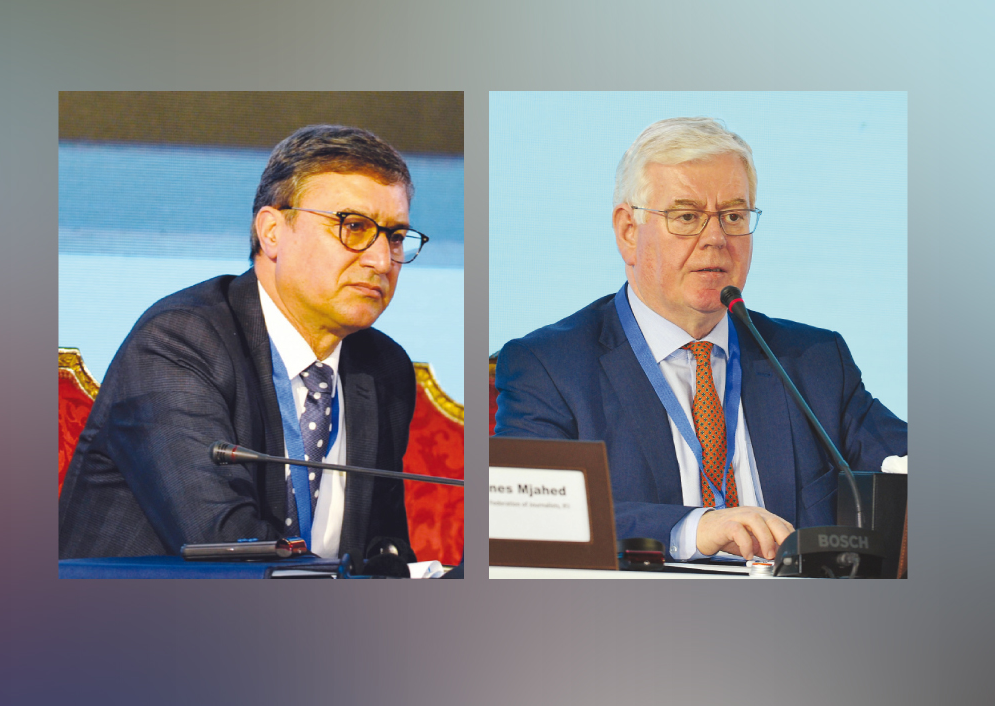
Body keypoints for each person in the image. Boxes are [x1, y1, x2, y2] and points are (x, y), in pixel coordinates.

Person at [493, 117, 907, 562]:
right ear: (628, 232)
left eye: (733, 216)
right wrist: (695, 528)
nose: (716, 238)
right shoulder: (549, 368)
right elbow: (534, 523)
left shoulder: (814, 361)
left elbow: (910, 468)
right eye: (687, 217)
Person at [60, 125, 430, 560]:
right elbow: (225, 543)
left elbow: (382, 553)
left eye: (396, 236)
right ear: (272, 231)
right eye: (353, 226)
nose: (381, 260)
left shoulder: (383, 367)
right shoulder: (178, 344)